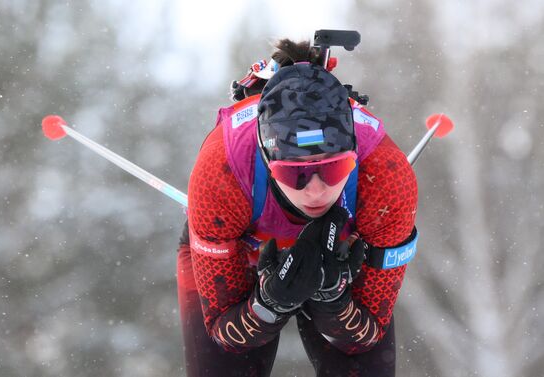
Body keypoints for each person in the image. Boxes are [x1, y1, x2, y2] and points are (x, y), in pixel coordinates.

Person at [176, 38, 418, 377]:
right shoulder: (221, 174)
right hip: (244, 250)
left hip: (343, 248)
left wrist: (331, 299)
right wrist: (269, 304)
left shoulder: (387, 177)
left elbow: (364, 338)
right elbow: (227, 337)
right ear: (267, 159)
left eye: (333, 168)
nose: (316, 190)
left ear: (353, 154)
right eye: (296, 174)